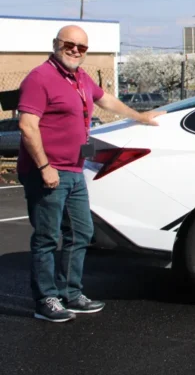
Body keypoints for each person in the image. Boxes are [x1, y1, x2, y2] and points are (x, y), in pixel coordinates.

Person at [17, 25, 165, 323]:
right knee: (46, 237)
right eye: (69, 44)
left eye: (82, 47)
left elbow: (105, 99)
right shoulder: (39, 78)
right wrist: (45, 168)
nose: (75, 50)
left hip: (74, 170)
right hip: (47, 171)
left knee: (81, 232)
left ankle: (70, 293)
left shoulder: (79, 78)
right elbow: (27, 126)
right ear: (55, 44)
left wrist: (140, 117)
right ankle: (46, 299)